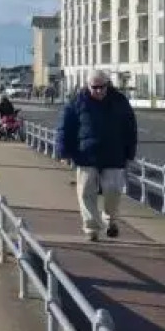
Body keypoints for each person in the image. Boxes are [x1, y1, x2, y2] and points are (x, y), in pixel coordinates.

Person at [56, 70, 138, 242]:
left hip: (114, 153)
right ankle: (91, 228)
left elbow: (130, 127)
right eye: (95, 87)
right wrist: (64, 152)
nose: (99, 91)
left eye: (102, 87)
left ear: (107, 85)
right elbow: (65, 128)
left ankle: (111, 220)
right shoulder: (77, 102)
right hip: (86, 154)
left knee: (113, 191)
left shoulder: (120, 101)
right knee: (86, 192)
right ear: (88, 86)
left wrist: (130, 152)